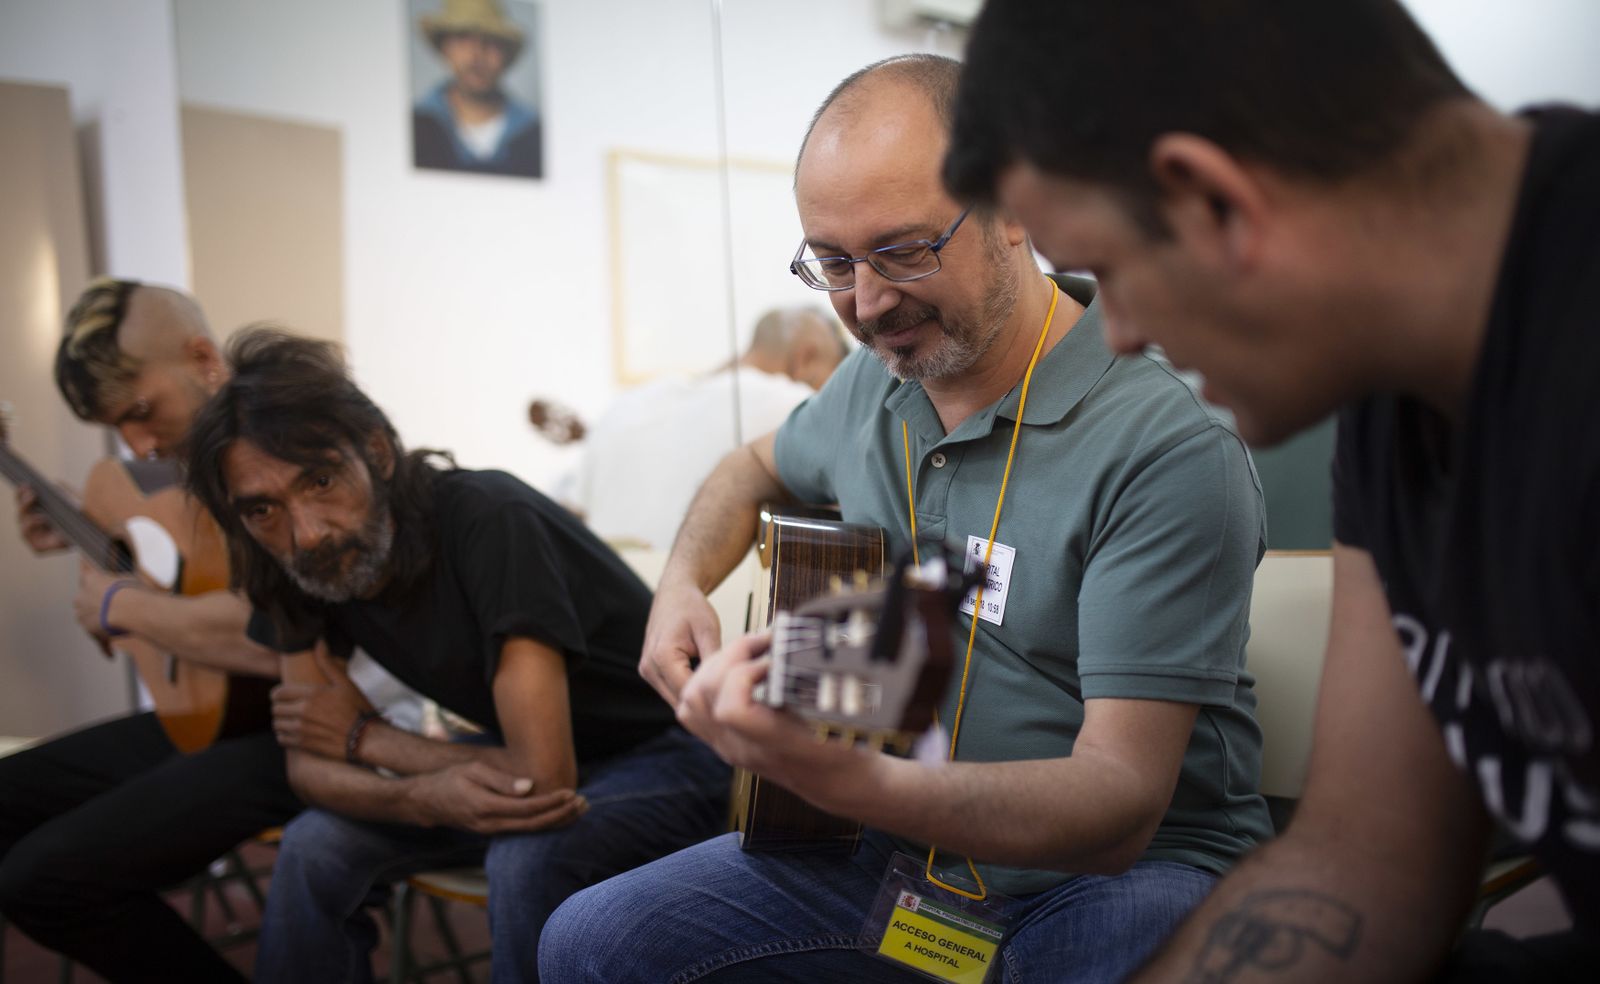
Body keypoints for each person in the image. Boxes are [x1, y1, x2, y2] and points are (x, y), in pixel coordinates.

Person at [539, 54, 1271, 983]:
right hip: (898, 859)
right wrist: (681, 586)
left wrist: (861, 784)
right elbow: (748, 467)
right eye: (834, 263)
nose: (867, 302)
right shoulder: (871, 383)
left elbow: (1117, 804)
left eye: (903, 250)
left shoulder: (1167, 446)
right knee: (588, 941)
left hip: (1118, 873)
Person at [943, 1, 1600, 979]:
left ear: (1210, 198)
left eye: (1109, 273)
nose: (1117, 332)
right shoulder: (1393, 396)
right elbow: (1364, 860)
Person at [181, 328, 730, 983]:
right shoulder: (291, 561)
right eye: (263, 509)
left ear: (378, 452)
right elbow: (310, 766)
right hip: (526, 755)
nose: (306, 531)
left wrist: (371, 741)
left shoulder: (488, 517)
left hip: (674, 750)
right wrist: (426, 797)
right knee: (311, 845)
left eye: (321, 480)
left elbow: (541, 774)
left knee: (527, 856)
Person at [0, 279, 302, 983]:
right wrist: (91, 535)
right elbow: (185, 578)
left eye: (141, 411)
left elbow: (272, 636)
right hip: (215, 721)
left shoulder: (285, 449)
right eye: (119, 426)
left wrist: (120, 608)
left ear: (203, 360)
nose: (138, 441)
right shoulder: (191, 467)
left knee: (43, 880)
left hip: (310, 725)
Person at [575, 305, 850, 548]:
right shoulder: (794, 404)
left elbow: (576, 509)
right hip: (701, 600)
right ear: (806, 358)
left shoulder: (624, 405)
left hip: (605, 597)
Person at [412, 0, 543, 178]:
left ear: (505, 54)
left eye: (490, 42)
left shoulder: (534, 133)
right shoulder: (417, 124)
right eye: (463, 38)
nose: (476, 55)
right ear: (445, 48)